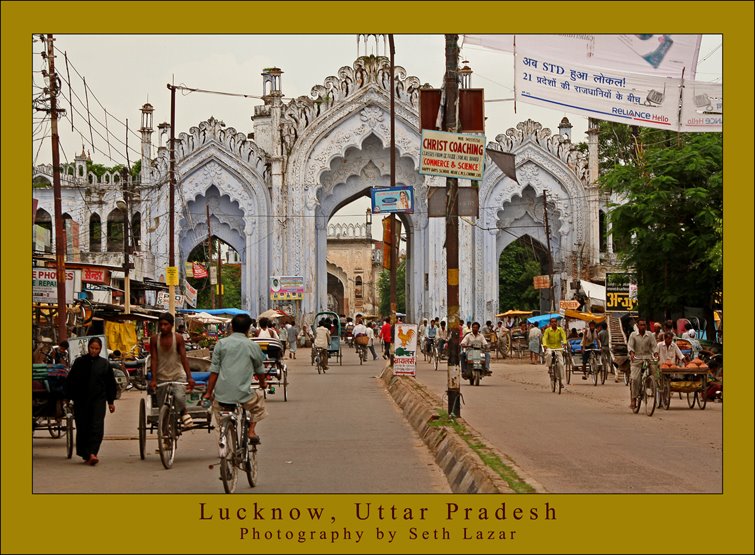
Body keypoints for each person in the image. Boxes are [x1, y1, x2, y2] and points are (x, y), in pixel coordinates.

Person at [203, 313, 267, 444]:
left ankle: (223, 433)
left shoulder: (221, 344)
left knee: (219, 412)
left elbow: (214, 370)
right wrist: (263, 383)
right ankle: (251, 431)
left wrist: (209, 392)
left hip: (222, 394)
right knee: (258, 401)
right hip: (244, 394)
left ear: (231, 327)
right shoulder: (252, 346)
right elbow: (260, 370)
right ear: (248, 329)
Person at [63, 337, 117, 466]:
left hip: (98, 399)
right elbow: (71, 381)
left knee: (97, 426)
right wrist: (67, 397)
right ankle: (86, 454)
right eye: (92, 348)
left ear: (100, 349)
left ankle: (93, 453)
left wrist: (111, 402)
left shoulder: (104, 364)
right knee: (83, 427)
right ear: (88, 348)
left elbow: (110, 384)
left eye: (97, 348)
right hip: (81, 400)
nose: (94, 351)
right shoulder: (80, 362)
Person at [149, 312, 196, 429]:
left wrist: (189, 377)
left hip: (177, 374)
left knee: (179, 397)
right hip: (161, 376)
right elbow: (154, 359)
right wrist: (154, 379)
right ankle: (165, 434)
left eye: (166, 324)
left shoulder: (178, 338)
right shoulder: (154, 339)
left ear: (171, 325)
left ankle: (184, 412)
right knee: (162, 408)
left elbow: (184, 358)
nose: (163, 327)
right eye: (161, 325)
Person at [627, 319, 658, 410]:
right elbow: (630, 346)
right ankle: (633, 399)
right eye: (641, 325)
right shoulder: (633, 335)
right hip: (637, 358)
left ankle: (652, 386)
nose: (643, 327)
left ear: (646, 326)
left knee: (655, 372)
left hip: (648, 357)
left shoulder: (650, 335)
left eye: (644, 325)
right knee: (635, 379)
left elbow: (654, 346)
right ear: (637, 325)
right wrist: (632, 353)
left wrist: (656, 353)